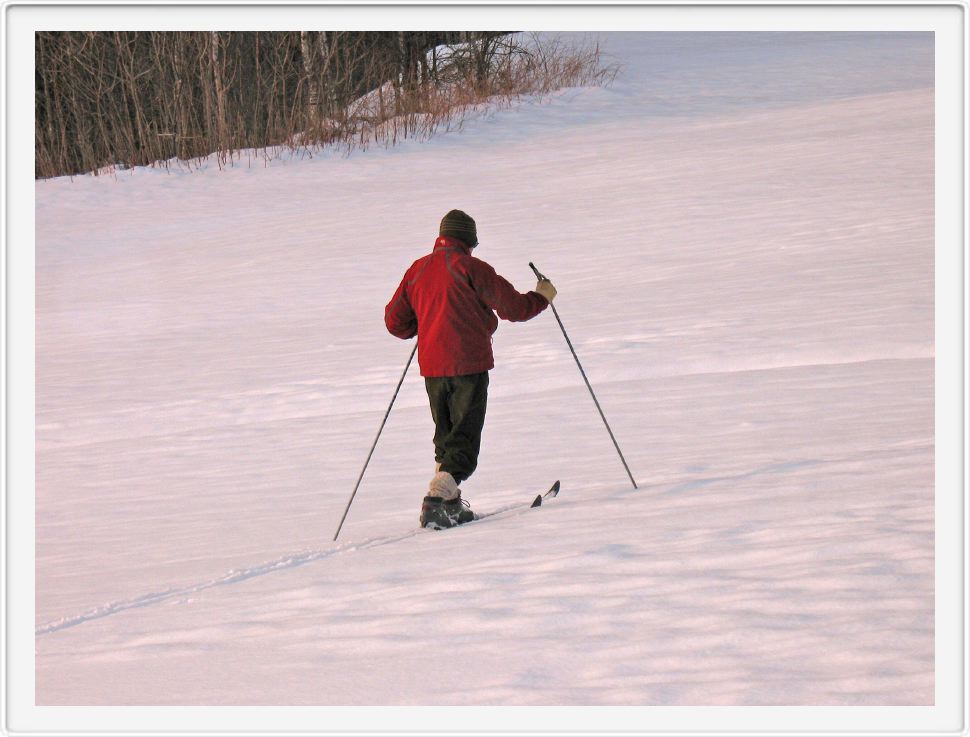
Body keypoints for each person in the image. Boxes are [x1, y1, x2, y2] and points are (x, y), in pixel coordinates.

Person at [384, 210, 557, 529]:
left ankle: (448, 504)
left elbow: (395, 322)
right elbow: (514, 308)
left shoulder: (417, 270)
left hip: (433, 368)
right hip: (469, 363)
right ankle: (437, 500)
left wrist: (423, 323)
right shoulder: (471, 268)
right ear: (468, 242)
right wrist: (542, 296)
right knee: (464, 439)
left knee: (447, 435)